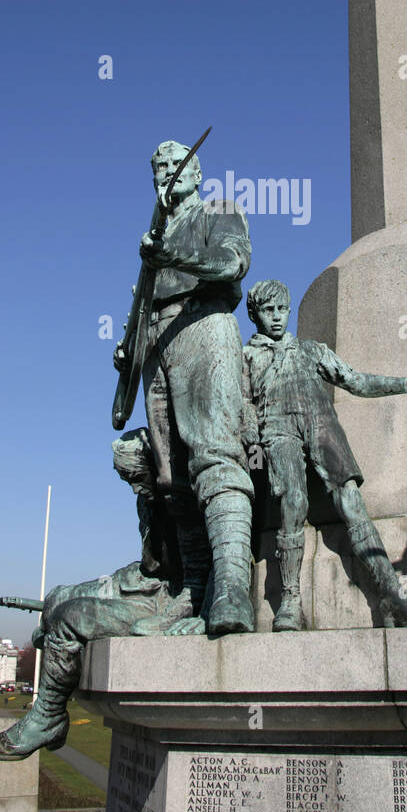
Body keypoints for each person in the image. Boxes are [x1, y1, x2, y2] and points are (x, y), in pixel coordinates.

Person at [0, 427, 210, 761]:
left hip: (173, 603)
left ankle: (49, 716)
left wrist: (170, 620)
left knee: (69, 618)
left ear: (156, 465)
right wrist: (90, 588)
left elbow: (197, 582)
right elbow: (150, 569)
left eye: (134, 476)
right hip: (151, 589)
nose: (133, 485)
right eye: (125, 478)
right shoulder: (148, 501)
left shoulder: (183, 501)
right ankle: (50, 708)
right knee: (61, 597)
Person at [241, 279, 407, 632]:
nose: (276, 318)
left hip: (321, 423)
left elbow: (355, 381)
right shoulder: (247, 357)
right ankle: (289, 601)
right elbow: (242, 407)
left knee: (351, 500)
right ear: (254, 314)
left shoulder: (311, 350)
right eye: (268, 311)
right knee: (292, 503)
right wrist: (250, 444)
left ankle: (392, 596)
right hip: (276, 429)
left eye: (282, 310)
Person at [115, 139, 255, 637]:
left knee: (216, 456)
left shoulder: (218, 210)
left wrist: (172, 255)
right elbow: (145, 304)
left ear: (197, 173)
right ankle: (193, 589)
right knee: (171, 479)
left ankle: (233, 590)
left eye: (177, 165)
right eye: (159, 167)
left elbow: (231, 265)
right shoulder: (155, 235)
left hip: (203, 326)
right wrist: (129, 348)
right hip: (156, 346)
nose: (167, 173)